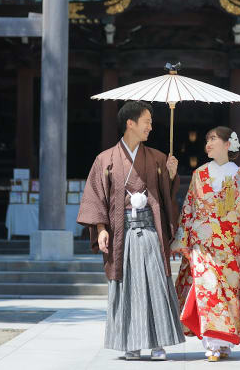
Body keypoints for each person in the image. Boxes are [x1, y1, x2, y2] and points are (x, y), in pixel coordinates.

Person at [77, 100, 185, 361]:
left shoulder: (158, 158)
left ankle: (159, 343)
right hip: (121, 232)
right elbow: (96, 195)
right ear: (130, 123)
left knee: (156, 285)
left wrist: (170, 176)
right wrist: (101, 228)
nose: (151, 126)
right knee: (127, 288)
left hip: (150, 229)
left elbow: (166, 195)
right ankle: (131, 344)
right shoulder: (105, 159)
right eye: (146, 121)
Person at [171, 126, 240, 362]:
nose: (208, 144)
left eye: (213, 139)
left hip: (230, 246)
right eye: (207, 140)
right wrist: (180, 239)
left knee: (230, 296)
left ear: (228, 144)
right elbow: (189, 208)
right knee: (209, 291)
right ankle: (212, 343)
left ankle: (225, 342)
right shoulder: (199, 174)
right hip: (202, 245)